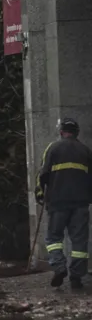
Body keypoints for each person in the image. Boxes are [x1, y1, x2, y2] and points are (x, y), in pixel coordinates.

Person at [36, 117, 92, 290]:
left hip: (58, 201)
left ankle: (59, 267)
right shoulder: (85, 151)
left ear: (61, 132)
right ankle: (76, 277)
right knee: (79, 242)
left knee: (53, 238)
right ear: (76, 133)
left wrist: (39, 193)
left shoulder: (53, 148)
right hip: (81, 203)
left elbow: (43, 174)